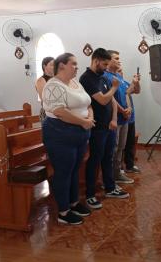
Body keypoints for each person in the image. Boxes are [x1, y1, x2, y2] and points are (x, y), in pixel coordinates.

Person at [42, 53, 94, 225]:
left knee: (74, 169)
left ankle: (73, 203)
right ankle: (63, 211)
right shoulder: (52, 85)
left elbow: (88, 103)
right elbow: (59, 111)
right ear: (62, 65)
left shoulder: (75, 82)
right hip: (60, 134)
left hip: (79, 133)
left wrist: (88, 119)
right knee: (64, 172)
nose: (77, 67)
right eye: (74, 64)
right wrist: (83, 122)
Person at [79, 49, 129, 210]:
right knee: (95, 160)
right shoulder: (87, 78)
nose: (107, 67)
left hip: (109, 126)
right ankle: (90, 194)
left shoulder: (102, 77)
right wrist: (115, 87)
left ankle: (110, 187)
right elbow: (101, 100)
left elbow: (112, 101)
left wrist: (114, 119)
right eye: (105, 64)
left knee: (108, 156)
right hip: (97, 127)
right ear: (96, 61)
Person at [104, 50, 134, 184]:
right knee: (114, 148)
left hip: (125, 117)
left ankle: (117, 173)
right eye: (116, 58)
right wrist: (122, 111)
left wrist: (129, 108)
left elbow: (125, 93)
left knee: (121, 146)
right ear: (108, 61)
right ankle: (110, 177)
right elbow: (111, 98)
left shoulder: (119, 76)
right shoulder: (105, 76)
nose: (119, 60)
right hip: (114, 118)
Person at [118, 67, 141, 174]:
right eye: (118, 71)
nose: (121, 72)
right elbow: (125, 93)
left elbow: (137, 91)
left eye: (122, 70)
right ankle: (119, 167)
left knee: (130, 143)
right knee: (120, 145)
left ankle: (130, 165)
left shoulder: (125, 82)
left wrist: (136, 83)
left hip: (131, 118)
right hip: (122, 118)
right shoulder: (116, 84)